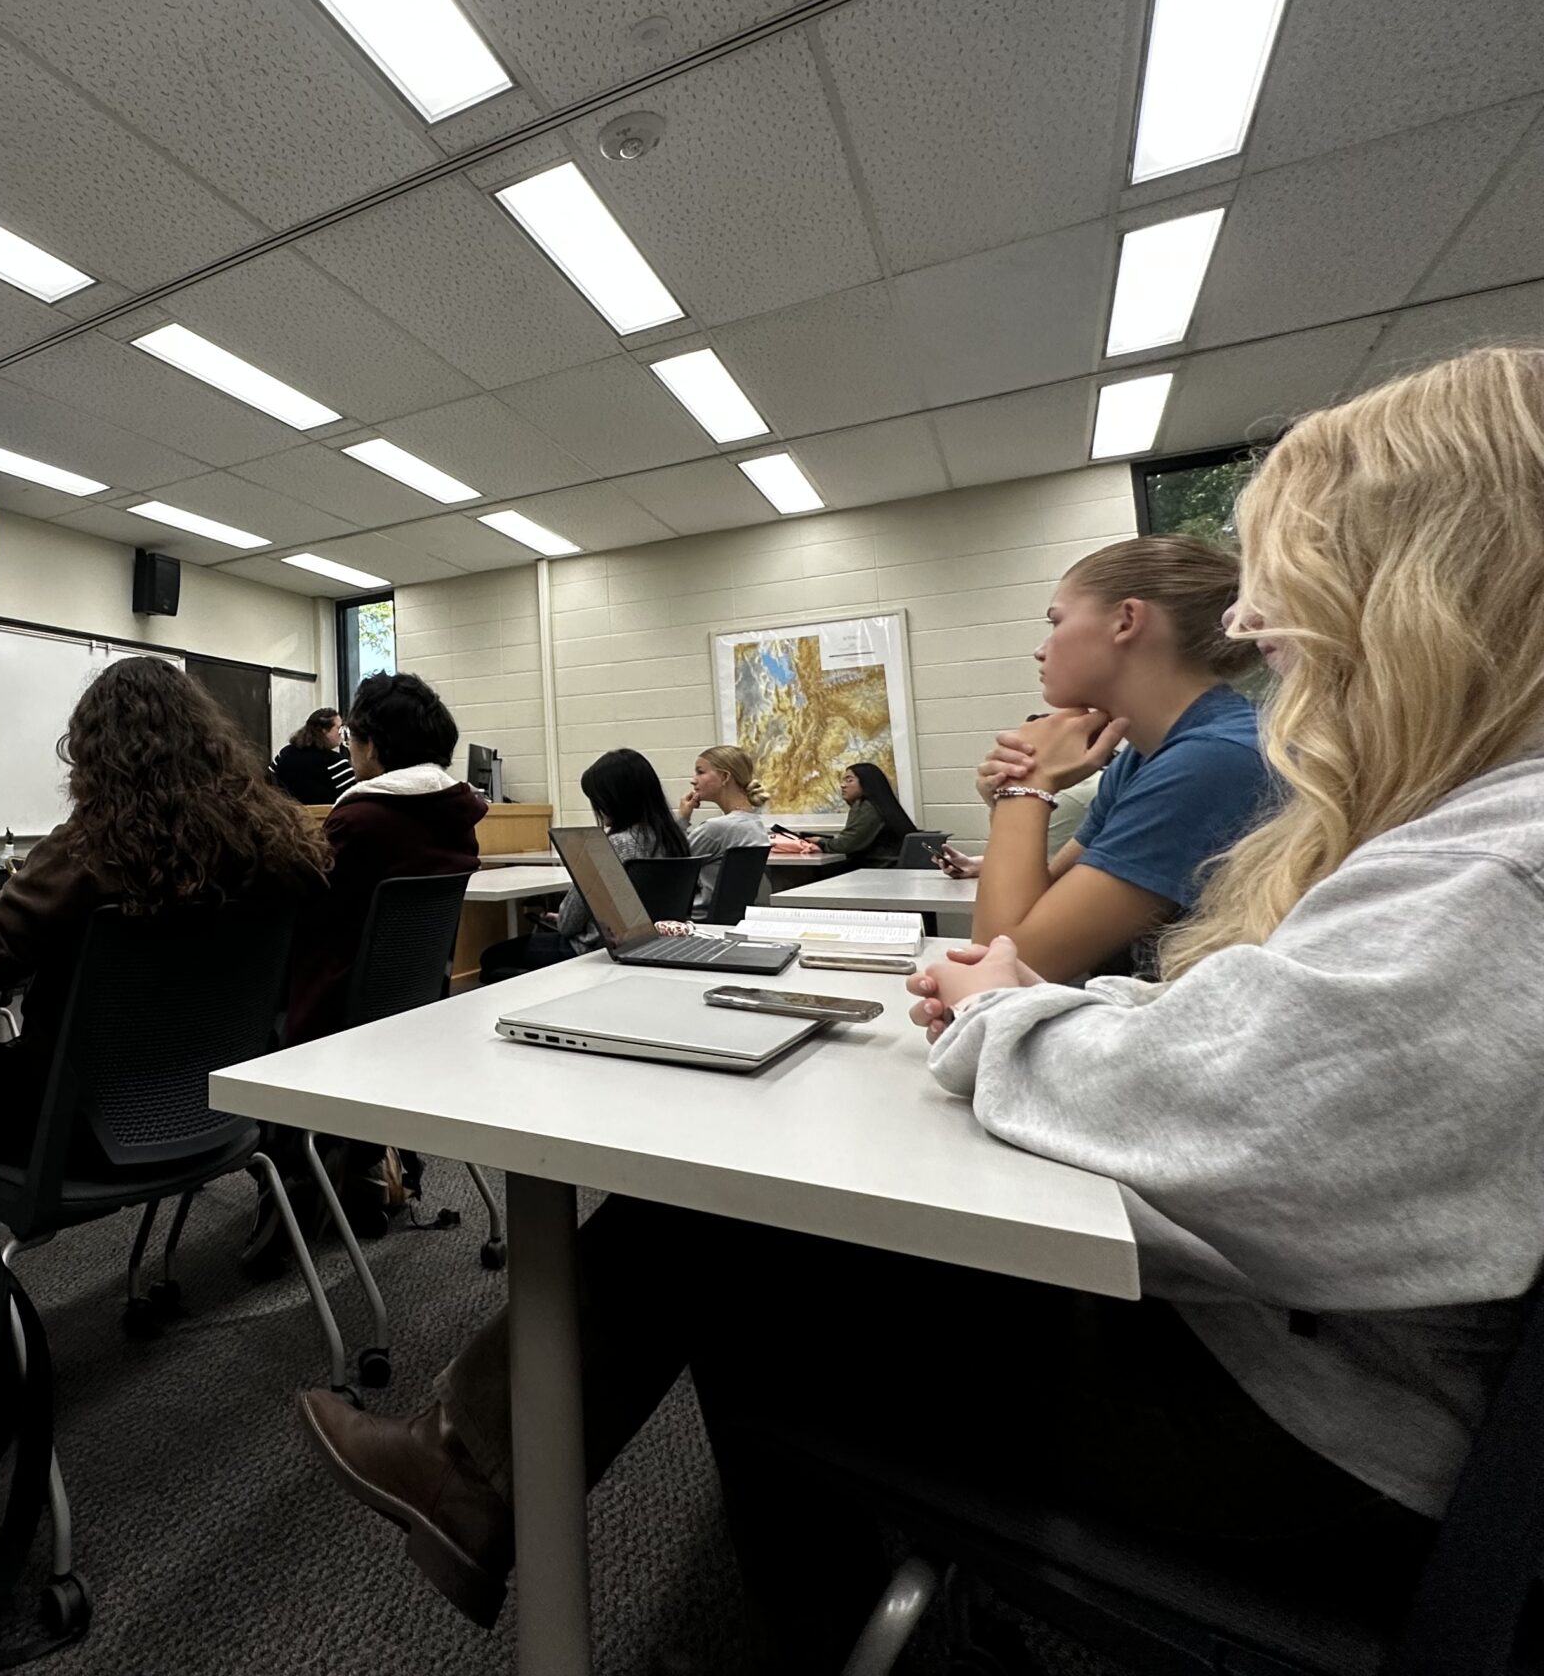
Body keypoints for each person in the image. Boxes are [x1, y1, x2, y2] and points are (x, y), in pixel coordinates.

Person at [296, 345, 1544, 1664]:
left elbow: (1156, 1038)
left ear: (1416, 588)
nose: (1264, 633)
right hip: (1282, 1353)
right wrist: (1028, 913)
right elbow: (1139, 988)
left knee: (734, 1228)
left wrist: (1011, 982)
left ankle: (727, 1581)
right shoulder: (1421, 811)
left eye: (1302, 590)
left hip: (1301, 1434)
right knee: (741, 1214)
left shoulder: (1465, 839)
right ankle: (554, 1508)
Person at [0, 657, 330, 1227]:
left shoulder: (89, 850)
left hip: (87, 1125)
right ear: (212, 741)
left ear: (95, 755)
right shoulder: (277, 848)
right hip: (226, 1105)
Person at [957, 535, 1272, 982]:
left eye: (1055, 622)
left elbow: (1009, 965)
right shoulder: (1144, 756)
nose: (1041, 650)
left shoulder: (1215, 758)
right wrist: (1017, 794)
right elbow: (1045, 910)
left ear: (1126, 621)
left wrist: (1023, 791)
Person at [260, 673, 486, 1269]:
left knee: (243, 1000)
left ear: (374, 749)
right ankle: (358, 1160)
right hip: (407, 1011)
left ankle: (295, 1169)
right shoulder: (458, 816)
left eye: (353, 740)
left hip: (335, 1013)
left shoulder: (359, 822)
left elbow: (298, 910)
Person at [478, 748, 687, 980]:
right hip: (655, 946)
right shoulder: (674, 838)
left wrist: (566, 917)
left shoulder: (613, 845)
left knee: (491, 957)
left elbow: (568, 925)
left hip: (595, 950)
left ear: (613, 799)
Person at [675, 744, 774, 917]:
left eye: (700, 772)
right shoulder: (753, 823)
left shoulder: (717, 828)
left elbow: (670, 866)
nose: (693, 780)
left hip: (696, 919)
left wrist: (682, 818)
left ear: (724, 777)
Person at [801, 760, 918, 868]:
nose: (843, 785)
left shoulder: (868, 807)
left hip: (879, 873)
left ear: (867, 783)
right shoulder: (879, 805)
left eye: (849, 780)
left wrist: (820, 842)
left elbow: (846, 845)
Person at [270, 707, 356, 806]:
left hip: (287, 816)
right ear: (324, 731)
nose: (341, 733)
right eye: (338, 728)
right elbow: (352, 798)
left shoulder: (284, 754)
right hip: (326, 818)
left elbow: (269, 783)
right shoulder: (335, 763)